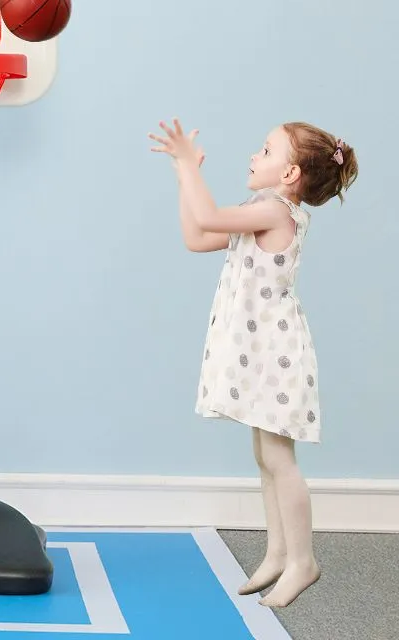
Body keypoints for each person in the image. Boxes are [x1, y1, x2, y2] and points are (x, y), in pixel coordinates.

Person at [148, 118, 358, 608]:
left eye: (265, 150)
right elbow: (197, 236)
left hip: (275, 353)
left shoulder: (274, 211)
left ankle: (302, 561)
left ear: (288, 175)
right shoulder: (262, 211)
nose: (253, 156)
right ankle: (279, 552)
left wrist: (186, 165)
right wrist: (185, 176)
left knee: (280, 461)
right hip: (260, 350)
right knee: (266, 458)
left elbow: (209, 215)